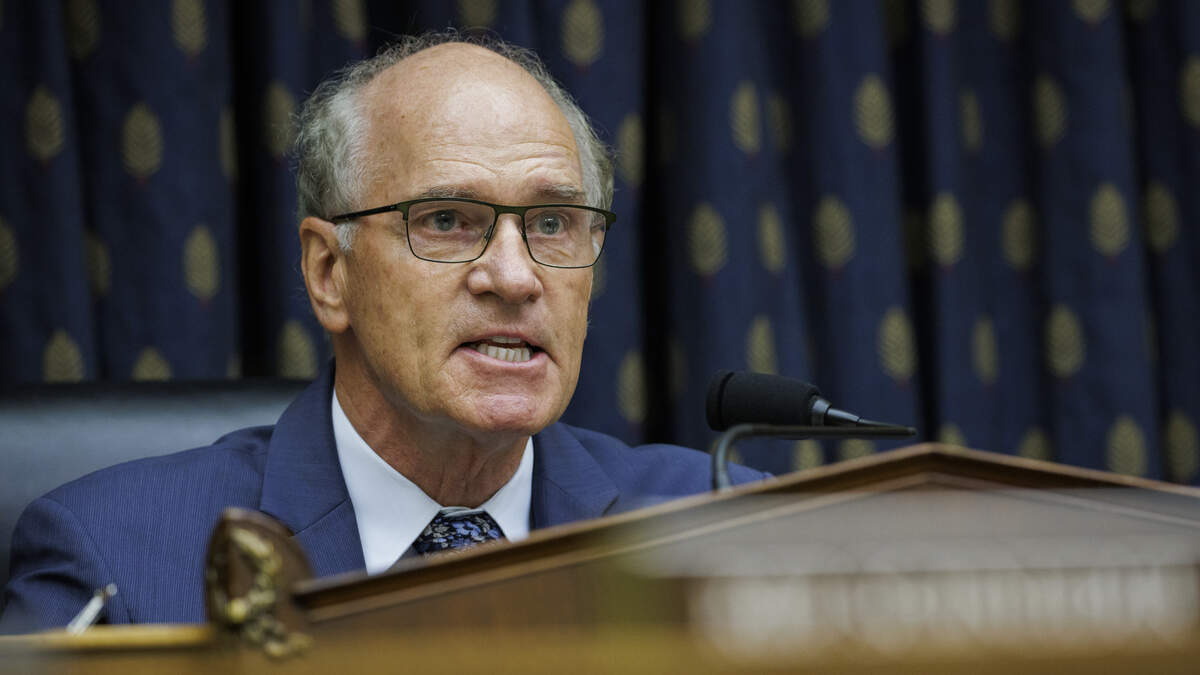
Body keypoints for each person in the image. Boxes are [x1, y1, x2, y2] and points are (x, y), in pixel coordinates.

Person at [0, 33, 768, 632]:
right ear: (329, 272)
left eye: (552, 223)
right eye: (446, 220)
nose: (515, 276)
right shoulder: (114, 555)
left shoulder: (734, 528)